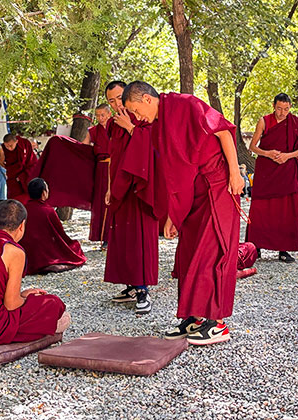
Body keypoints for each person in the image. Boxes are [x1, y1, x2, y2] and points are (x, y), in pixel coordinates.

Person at [122, 81, 243, 345]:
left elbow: (223, 131)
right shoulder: (156, 126)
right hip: (193, 192)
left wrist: (235, 173)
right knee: (188, 252)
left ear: (146, 98)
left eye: (135, 110)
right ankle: (194, 316)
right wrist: (172, 215)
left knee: (211, 251)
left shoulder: (185, 105)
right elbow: (173, 173)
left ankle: (217, 322)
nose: (136, 117)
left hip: (217, 184)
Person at [0, 200, 69, 348]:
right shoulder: (14, 251)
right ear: (22, 226)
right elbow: (11, 304)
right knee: (54, 305)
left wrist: (22, 294)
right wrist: (28, 298)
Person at [104, 81, 158, 315]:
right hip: (119, 186)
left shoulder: (143, 118)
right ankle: (130, 286)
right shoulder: (113, 124)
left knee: (139, 238)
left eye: (118, 98)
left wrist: (130, 128)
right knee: (123, 237)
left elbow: (154, 148)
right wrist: (109, 187)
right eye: (111, 101)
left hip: (139, 188)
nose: (116, 104)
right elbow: (113, 158)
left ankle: (143, 290)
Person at [246, 93, 298, 263]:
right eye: (279, 109)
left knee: (287, 209)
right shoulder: (264, 121)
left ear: (290, 107)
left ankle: (284, 249)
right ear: (273, 106)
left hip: (286, 170)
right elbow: (253, 146)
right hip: (266, 171)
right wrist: (267, 153)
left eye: (286, 109)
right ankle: (256, 247)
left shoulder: (296, 123)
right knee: (260, 209)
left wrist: (287, 156)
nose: (282, 113)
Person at [19, 178, 86, 275]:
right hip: (44, 251)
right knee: (75, 247)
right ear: (43, 193)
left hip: (27, 252)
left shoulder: (23, 209)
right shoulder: (48, 210)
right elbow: (60, 235)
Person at [84, 103, 112, 245]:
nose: (100, 118)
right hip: (100, 168)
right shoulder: (93, 131)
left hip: (114, 166)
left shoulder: (117, 129)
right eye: (97, 115)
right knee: (100, 201)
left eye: (103, 115)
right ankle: (102, 236)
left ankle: (114, 235)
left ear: (109, 114)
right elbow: (83, 147)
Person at [0, 134, 38, 202]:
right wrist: (10, 170)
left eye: (11, 146)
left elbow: (31, 162)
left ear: (16, 141)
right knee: (14, 199)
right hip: (13, 178)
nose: (9, 148)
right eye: (7, 146)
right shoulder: (3, 149)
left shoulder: (24, 144)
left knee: (28, 198)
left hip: (25, 175)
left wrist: (22, 176)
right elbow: (1, 162)